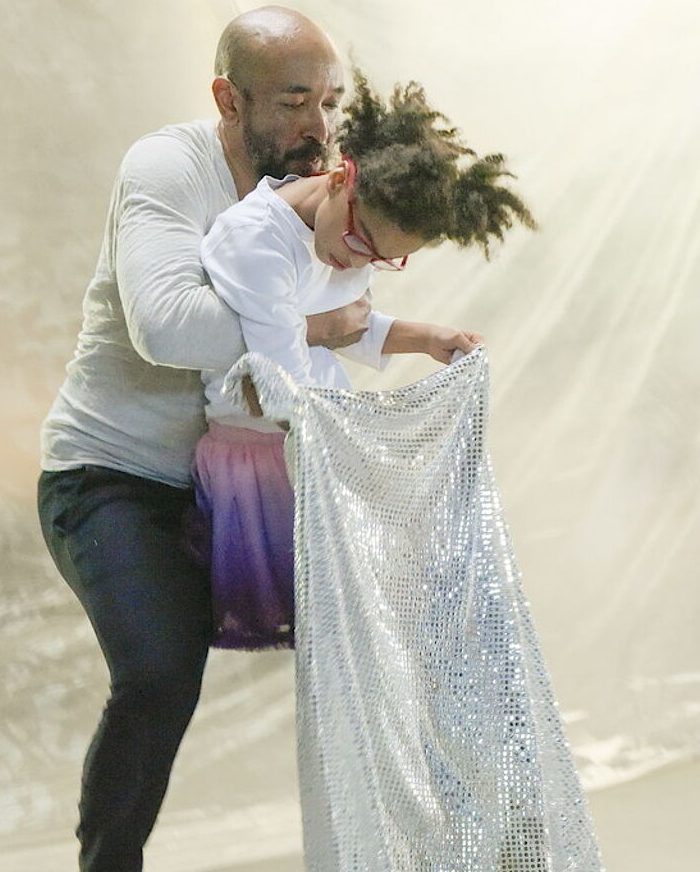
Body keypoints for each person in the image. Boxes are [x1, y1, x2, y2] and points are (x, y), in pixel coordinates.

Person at [37, 5, 392, 872]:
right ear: (227, 100)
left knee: (389, 633)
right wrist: (315, 323)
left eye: (330, 100)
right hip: (113, 477)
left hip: (249, 477)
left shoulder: (321, 177)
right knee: (158, 670)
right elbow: (168, 328)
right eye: (293, 101)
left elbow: (352, 314)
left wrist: (370, 327)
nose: (318, 124)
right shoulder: (167, 168)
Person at [193, 68, 535, 649]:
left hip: (319, 443)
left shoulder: (339, 237)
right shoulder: (255, 242)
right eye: (360, 241)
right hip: (269, 456)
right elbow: (283, 386)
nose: (357, 264)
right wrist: (385, 446)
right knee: (356, 632)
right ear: (339, 179)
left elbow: (341, 327)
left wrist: (426, 337)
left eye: (382, 260)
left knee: (405, 620)